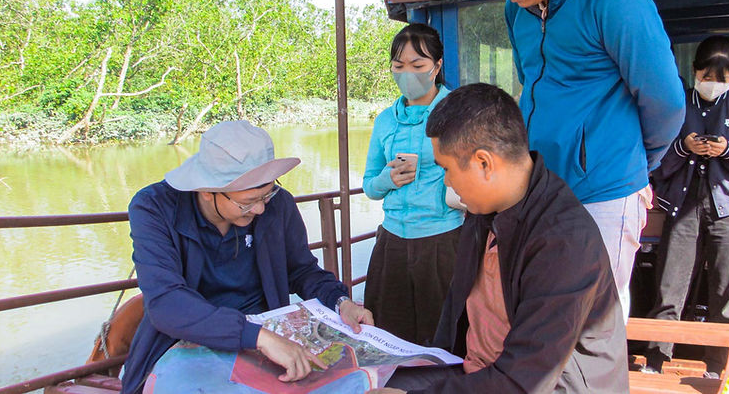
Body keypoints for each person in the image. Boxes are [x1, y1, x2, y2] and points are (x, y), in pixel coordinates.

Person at [470, 0, 686, 318]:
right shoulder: (518, 11)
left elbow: (666, 100)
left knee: (594, 322)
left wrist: (635, 165)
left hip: (605, 191)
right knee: (543, 314)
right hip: (541, 186)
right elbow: (532, 84)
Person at [372, 83, 628, 394]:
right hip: (477, 372)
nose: (447, 182)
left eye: (447, 169)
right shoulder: (484, 211)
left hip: (545, 386)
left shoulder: (564, 242)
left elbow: (525, 381)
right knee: (370, 381)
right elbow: (453, 317)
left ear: (484, 163)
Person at [120, 121, 374, 394]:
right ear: (207, 190)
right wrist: (258, 337)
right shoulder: (154, 207)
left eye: (267, 195)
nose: (260, 209)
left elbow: (301, 270)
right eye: (248, 202)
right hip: (188, 341)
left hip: (265, 336)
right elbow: (166, 302)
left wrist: (340, 301)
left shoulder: (278, 203)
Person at [642, 36, 729, 377]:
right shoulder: (676, 108)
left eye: (721, 78)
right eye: (705, 76)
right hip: (683, 205)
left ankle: (718, 366)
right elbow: (651, 156)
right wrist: (683, 148)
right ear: (694, 70)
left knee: (727, 292)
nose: (712, 83)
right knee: (669, 287)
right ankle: (656, 360)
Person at [362, 23, 464, 345]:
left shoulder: (458, 112)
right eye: (399, 66)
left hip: (443, 240)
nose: (408, 74)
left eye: (418, 66)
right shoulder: (385, 120)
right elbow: (369, 186)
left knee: (444, 339)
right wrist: (386, 179)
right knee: (390, 337)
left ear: (437, 66)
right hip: (392, 242)